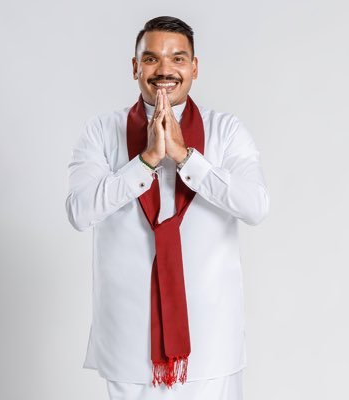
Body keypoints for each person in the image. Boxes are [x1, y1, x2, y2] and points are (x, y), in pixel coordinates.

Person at [65, 15, 270, 400]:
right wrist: (145, 161)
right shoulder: (102, 132)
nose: (165, 70)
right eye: (151, 59)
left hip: (211, 343)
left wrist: (186, 157)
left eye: (178, 58)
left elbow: (255, 206)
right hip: (130, 340)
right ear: (135, 67)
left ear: (194, 67)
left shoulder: (226, 131)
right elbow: (79, 211)